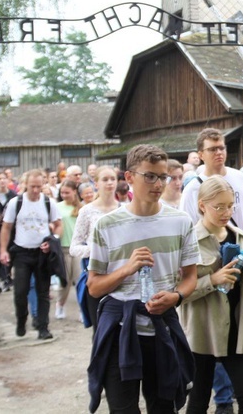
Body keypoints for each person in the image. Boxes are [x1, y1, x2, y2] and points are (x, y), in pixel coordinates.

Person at [87, 144, 200, 413]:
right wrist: (126, 269)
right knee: (122, 408)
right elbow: (94, 287)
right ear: (129, 178)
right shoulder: (107, 224)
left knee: (163, 406)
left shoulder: (181, 221)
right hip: (120, 329)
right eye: (149, 176)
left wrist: (176, 296)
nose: (158, 184)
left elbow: (190, 277)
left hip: (161, 326)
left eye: (163, 177)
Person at [178, 128, 243, 413]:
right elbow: (180, 290)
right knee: (198, 397)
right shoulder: (191, 191)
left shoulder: (239, 180)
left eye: (229, 206)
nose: (226, 211)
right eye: (212, 148)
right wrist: (212, 279)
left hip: (237, 322)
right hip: (202, 325)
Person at [0, 169, 63, 339]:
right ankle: (21, 320)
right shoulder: (16, 203)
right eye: (32, 186)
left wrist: (52, 241)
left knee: (43, 292)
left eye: (38, 187)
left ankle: (43, 328)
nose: (35, 190)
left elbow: (58, 225)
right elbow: (6, 228)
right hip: (21, 253)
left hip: (41, 254)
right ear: (25, 185)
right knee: (20, 291)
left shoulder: (49, 202)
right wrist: (3, 250)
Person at [70, 165, 120, 332]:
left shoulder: (124, 209)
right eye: (105, 179)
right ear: (96, 183)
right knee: (100, 329)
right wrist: (95, 251)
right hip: (96, 274)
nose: (110, 183)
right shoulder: (87, 211)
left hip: (122, 273)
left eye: (113, 179)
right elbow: (74, 247)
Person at [54, 180, 82, 320]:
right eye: (62, 192)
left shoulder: (81, 207)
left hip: (78, 248)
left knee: (80, 280)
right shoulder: (57, 206)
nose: (64, 195)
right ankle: (60, 304)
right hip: (63, 247)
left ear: (74, 192)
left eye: (67, 192)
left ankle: (83, 310)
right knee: (65, 280)